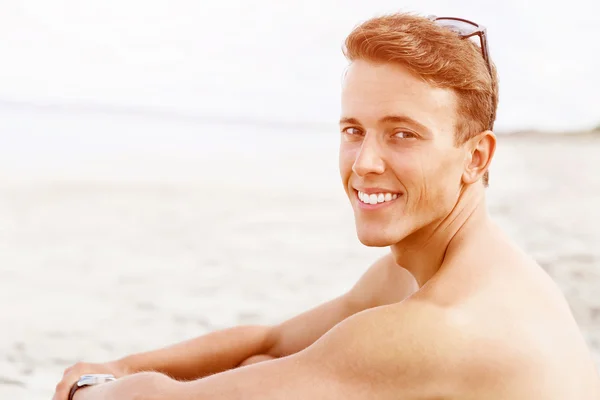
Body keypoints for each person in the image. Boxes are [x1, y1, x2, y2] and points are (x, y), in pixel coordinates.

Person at [52, 12, 600, 400]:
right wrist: (122, 366)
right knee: (266, 365)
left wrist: (88, 386)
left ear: (475, 157)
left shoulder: (441, 327)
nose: (364, 162)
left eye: (403, 134)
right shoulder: (439, 272)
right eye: (353, 130)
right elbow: (269, 340)